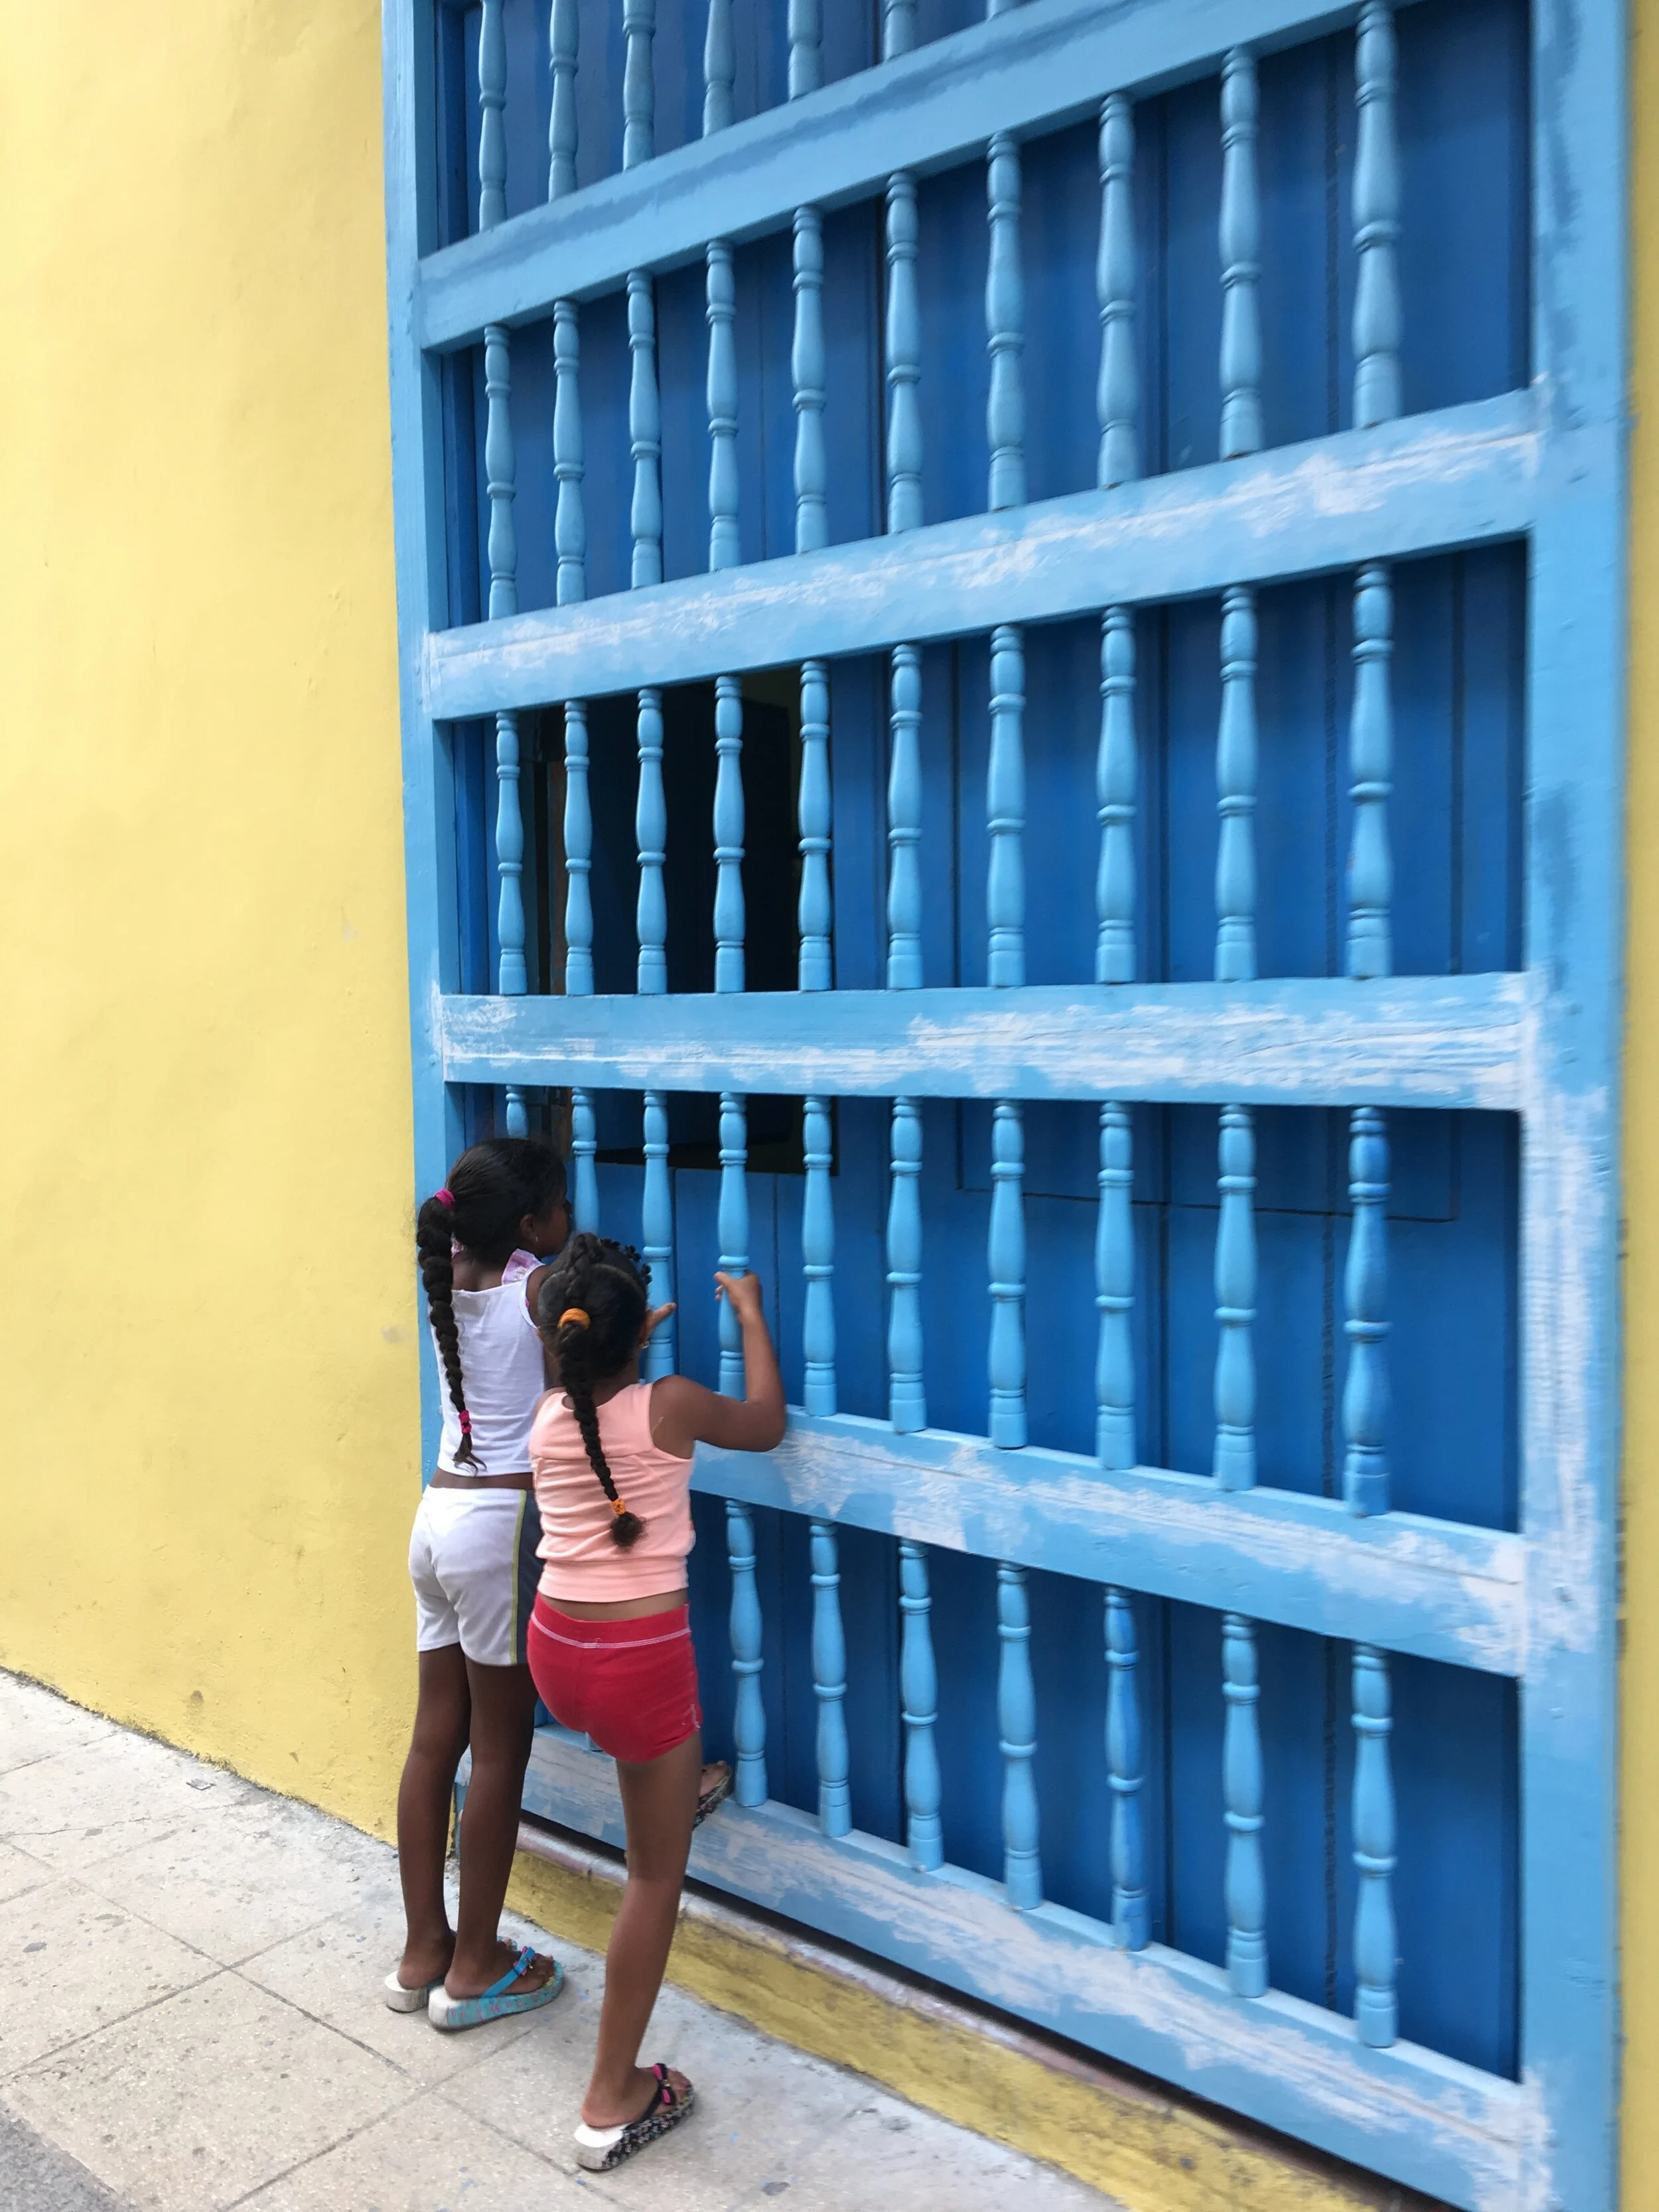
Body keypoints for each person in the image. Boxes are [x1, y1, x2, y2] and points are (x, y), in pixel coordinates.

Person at [526, 1232, 786, 2172]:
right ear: (638, 1337)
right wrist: (751, 1315)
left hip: (557, 1653)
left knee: (651, 1762)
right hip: (639, 1665)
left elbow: (574, 1356)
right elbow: (765, 1423)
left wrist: (615, 1341)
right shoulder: (669, 1405)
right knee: (651, 1875)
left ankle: (686, 1785)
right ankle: (611, 2097)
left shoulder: (548, 1416)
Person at [388, 1135, 573, 2031]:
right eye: (561, 1206)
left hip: (435, 1519)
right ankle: (477, 1965)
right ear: (533, 1225)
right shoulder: (538, 1289)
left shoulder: (445, 1274)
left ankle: (423, 1947)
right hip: (498, 1531)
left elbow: (489, 1250)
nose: (571, 1219)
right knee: (501, 1751)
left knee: (435, 1741)